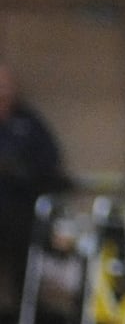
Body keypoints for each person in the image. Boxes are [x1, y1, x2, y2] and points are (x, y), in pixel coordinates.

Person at [0, 60, 66, 324]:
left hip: (19, 209)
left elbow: (51, 161)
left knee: (23, 272)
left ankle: (22, 317)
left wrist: (20, 169)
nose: (3, 89)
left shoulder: (28, 120)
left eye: (6, 84)